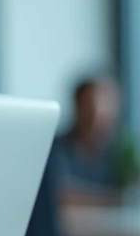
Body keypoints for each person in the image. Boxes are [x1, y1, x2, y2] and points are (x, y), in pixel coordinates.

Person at [51, 75, 129, 208]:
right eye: (90, 105)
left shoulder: (116, 153)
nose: (98, 113)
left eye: (107, 105)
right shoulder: (56, 149)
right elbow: (58, 193)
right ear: (77, 105)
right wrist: (113, 199)